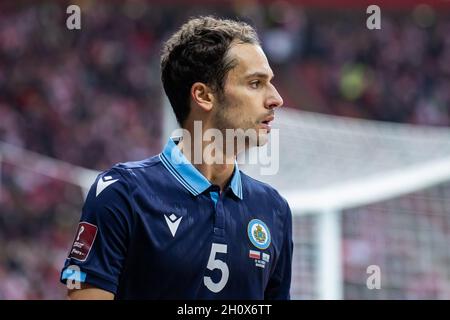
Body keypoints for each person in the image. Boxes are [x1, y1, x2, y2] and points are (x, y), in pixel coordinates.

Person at [60, 16, 293, 300]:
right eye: (255, 83)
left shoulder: (274, 210)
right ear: (203, 96)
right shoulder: (122, 193)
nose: (276, 98)